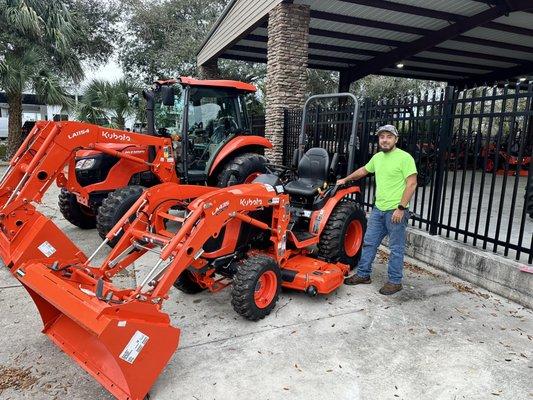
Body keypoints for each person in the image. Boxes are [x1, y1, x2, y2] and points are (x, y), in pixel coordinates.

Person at [337, 125, 417, 295]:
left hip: (396, 211)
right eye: (382, 137)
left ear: (396, 139)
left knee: (396, 248)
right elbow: (363, 171)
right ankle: (364, 274)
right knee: (369, 242)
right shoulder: (377, 157)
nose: (385, 140)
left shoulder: (405, 158)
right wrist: (345, 179)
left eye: (389, 136)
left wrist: (401, 208)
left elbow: (412, 183)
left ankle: (395, 281)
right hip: (378, 210)